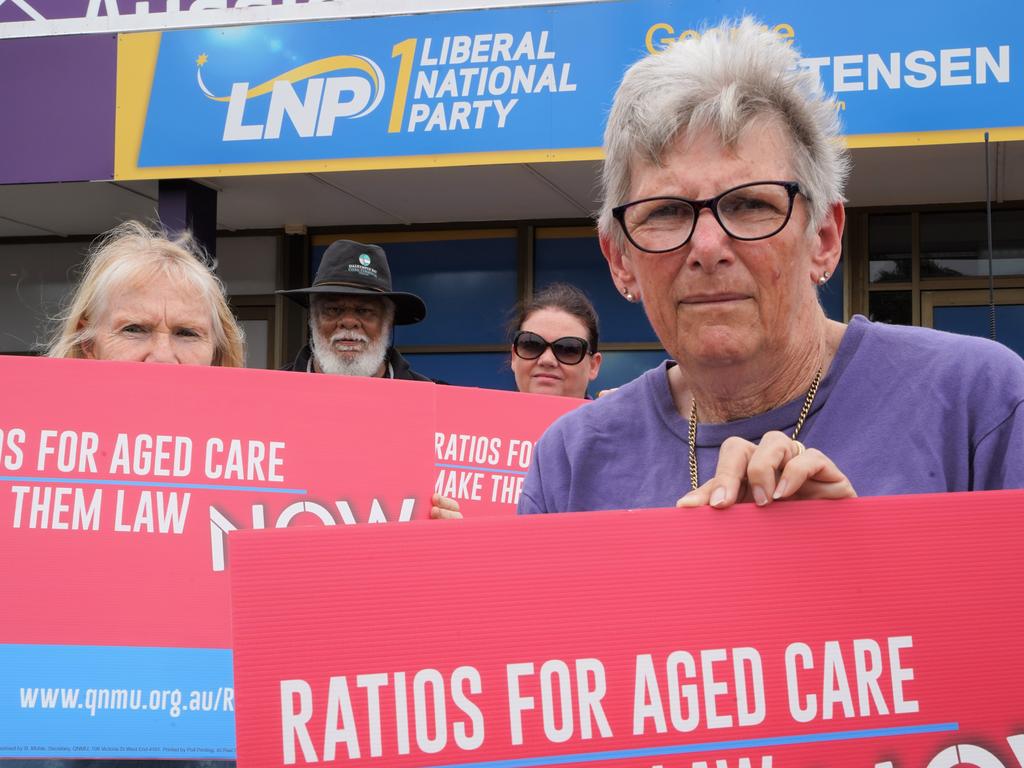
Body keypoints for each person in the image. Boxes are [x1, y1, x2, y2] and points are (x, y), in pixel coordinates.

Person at [518, 17, 1024, 516]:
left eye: (750, 205)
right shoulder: (569, 464)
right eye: (667, 212)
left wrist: (860, 555)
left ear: (823, 237)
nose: (708, 246)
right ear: (620, 260)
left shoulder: (980, 405)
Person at [48, 220, 244, 366]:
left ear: (216, 353)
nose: (163, 357)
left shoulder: (257, 421)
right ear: (88, 344)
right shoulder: (37, 420)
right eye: (134, 329)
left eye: (186, 333)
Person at [279, 239, 436, 381]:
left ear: (388, 322)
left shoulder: (430, 400)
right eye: (333, 309)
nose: (349, 322)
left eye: (364, 310)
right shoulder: (272, 392)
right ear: (312, 320)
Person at [509, 283, 602, 399]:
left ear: (593, 366)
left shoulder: (616, 417)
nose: (547, 360)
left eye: (568, 350)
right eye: (531, 345)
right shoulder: (482, 415)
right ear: (514, 356)